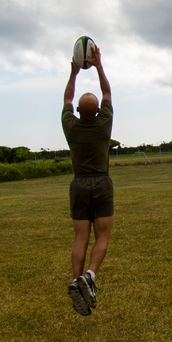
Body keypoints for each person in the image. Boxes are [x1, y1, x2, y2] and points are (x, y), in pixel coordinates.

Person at [62, 45, 113, 316]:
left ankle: (76, 279)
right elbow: (107, 93)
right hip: (101, 183)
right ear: (97, 111)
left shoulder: (70, 125)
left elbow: (67, 99)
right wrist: (99, 66)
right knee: (102, 235)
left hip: (79, 184)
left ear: (79, 112)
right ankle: (90, 276)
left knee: (80, 237)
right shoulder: (104, 123)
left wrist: (74, 73)